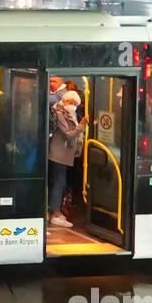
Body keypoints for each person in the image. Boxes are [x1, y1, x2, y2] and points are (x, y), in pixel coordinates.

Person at [47, 90, 86, 227]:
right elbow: (68, 135)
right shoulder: (59, 112)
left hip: (63, 153)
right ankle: (55, 212)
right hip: (58, 153)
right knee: (58, 182)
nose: (74, 107)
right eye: (74, 104)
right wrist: (81, 126)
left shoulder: (64, 112)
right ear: (68, 101)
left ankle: (55, 210)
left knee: (59, 182)